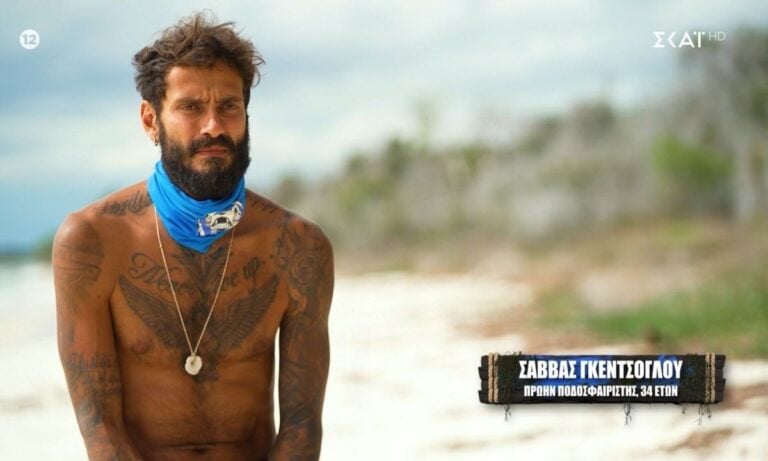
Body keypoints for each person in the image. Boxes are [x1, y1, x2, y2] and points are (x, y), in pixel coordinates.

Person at [52, 12, 333, 461]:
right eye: (190, 108)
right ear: (150, 120)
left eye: (229, 106)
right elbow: (101, 430)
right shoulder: (92, 241)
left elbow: (302, 427)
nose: (213, 127)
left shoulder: (297, 246)